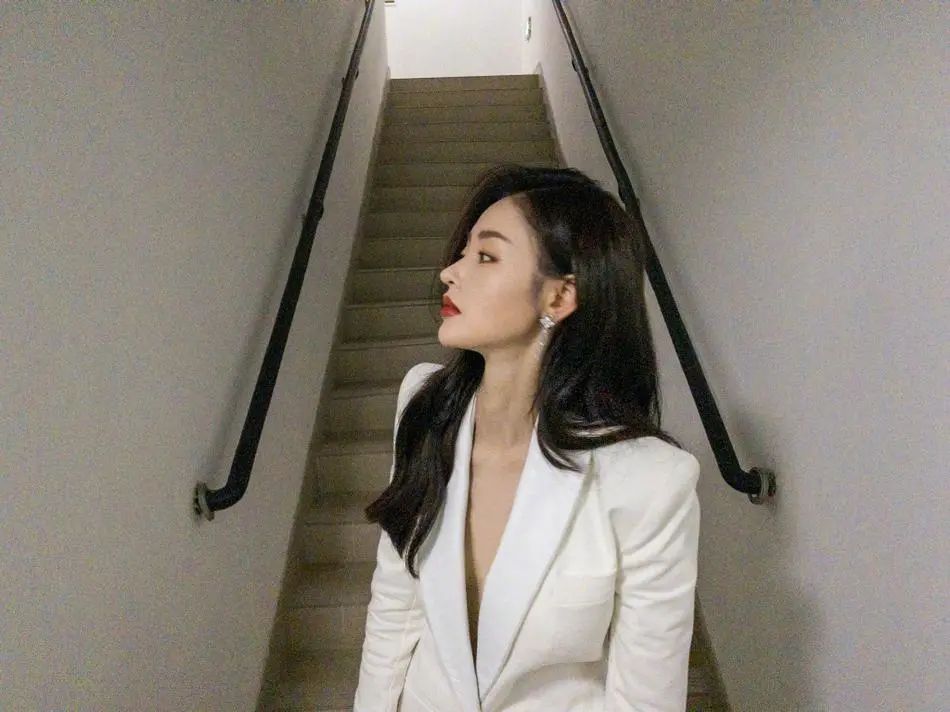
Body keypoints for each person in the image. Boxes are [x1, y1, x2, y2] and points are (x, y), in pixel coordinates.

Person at [353, 164, 701, 711]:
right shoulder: (424, 406)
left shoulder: (650, 479)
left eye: (485, 256)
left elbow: (645, 701)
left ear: (560, 297)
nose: (449, 272)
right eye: (462, 253)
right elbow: (394, 606)